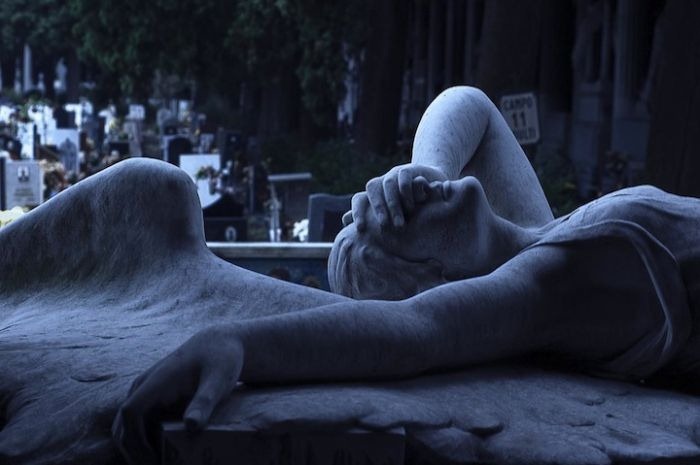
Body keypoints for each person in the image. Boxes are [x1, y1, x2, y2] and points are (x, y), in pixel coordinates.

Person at [112, 87, 700, 464]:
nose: (400, 197)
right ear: (439, 281)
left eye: (389, 199)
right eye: (393, 224)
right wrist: (237, 343)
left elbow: (471, 106)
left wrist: (426, 167)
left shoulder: (535, 233)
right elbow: (414, 331)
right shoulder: (547, 285)